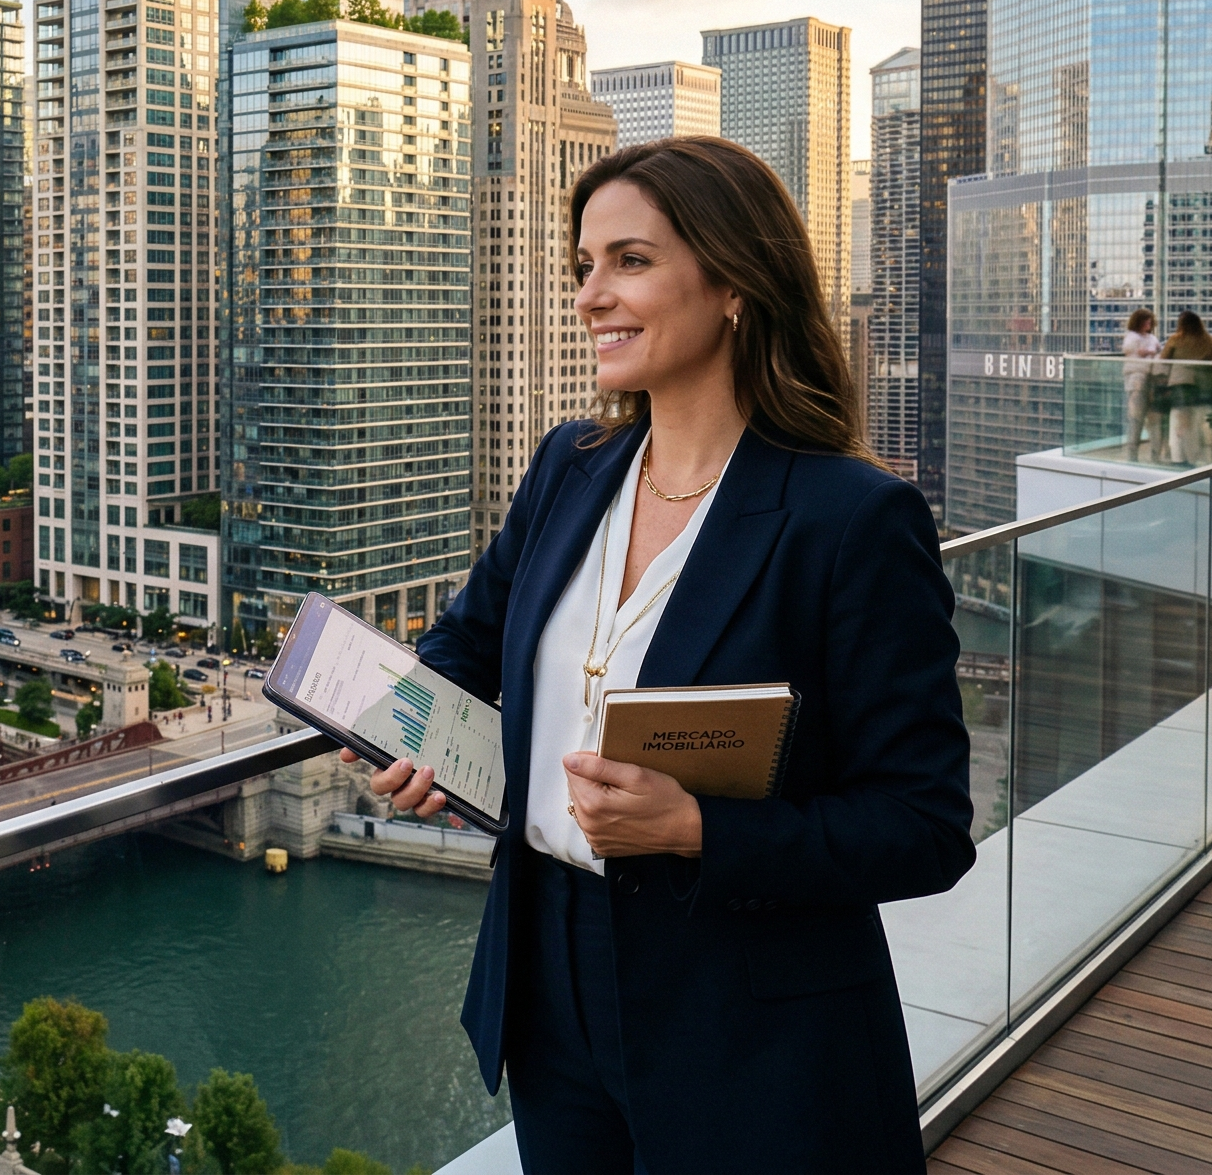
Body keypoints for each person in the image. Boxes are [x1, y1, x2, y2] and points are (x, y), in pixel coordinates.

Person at [357, 137, 972, 1172]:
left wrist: (696, 827)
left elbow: (923, 824)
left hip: (749, 1017)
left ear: (733, 282)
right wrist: (422, 731)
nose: (591, 295)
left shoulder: (851, 518)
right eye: (583, 267)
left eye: (629, 262)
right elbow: (466, 639)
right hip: (545, 979)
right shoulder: (569, 464)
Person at [1160, 311, 1212, 465]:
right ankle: (1196, 458)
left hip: (1182, 383)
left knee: (1178, 422)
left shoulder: (1176, 339)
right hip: (1204, 384)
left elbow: (1163, 359)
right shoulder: (1209, 340)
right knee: (1196, 423)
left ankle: (1178, 458)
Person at [1120, 309, 1163, 461]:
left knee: (1155, 419)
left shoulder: (1152, 338)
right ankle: (1132, 456)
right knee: (1136, 419)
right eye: (1145, 321)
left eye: (1150, 321)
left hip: (1153, 379)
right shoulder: (1131, 337)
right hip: (1137, 379)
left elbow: (1157, 351)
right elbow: (1130, 349)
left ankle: (1156, 456)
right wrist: (1147, 352)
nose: (1148, 324)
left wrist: (1149, 352)